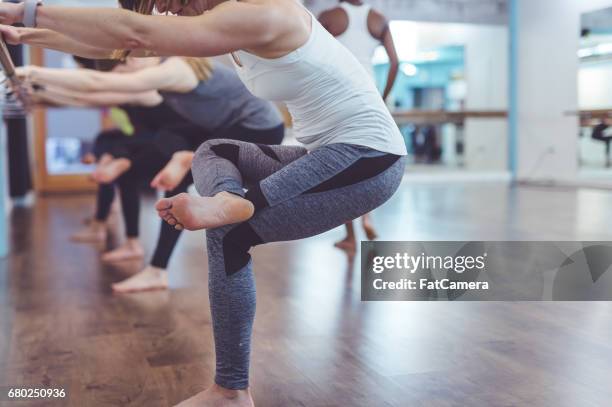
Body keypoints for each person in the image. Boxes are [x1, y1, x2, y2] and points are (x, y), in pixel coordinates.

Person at [0, 1, 407, 406]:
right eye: (161, 7)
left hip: (368, 156)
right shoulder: (226, 31)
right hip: (324, 152)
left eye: (169, 0)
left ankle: (230, 390)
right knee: (212, 153)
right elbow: (121, 49)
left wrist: (24, 12)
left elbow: (131, 34)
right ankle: (231, 202)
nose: (170, 10)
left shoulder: (266, 12)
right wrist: (27, 35)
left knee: (229, 235)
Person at [25, 56, 284, 293]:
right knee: (172, 176)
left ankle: (179, 162)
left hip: (258, 129)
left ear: (149, 52)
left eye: (127, 63)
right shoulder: (158, 79)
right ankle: (155, 268)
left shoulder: (175, 70)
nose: (123, 70)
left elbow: (96, 85)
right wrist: (36, 97)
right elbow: (90, 97)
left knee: (176, 167)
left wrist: (32, 72)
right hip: (219, 129)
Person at [319, 0, 400, 253]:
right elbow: (395, 63)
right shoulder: (378, 19)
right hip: (369, 94)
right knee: (366, 163)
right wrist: (383, 97)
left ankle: (351, 237)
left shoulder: (330, 16)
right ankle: (368, 216)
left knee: (342, 169)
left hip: (338, 95)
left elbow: (314, 57)